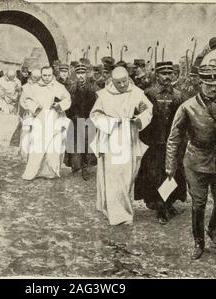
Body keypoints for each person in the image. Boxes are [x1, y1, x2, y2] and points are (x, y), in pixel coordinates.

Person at [166, 64, 216, 259]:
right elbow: (174, 138)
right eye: (209, 84)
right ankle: (198, 241)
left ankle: (212, 228)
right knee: (199, 204)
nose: (213, 88)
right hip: (195, 161)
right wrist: (170, 164)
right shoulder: (187, 106)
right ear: (200, 83)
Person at [90, 66, 153, 226]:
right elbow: (95, 114)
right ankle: (119, 214)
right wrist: (111, 122)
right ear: (112, 81)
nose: (123, 85)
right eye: (119, 83)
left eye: (125, 81)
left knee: (127, 176)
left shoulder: (137, 93)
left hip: (130, 137)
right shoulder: (104, 95)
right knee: (114, 176)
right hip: (111, 138)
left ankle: (122, 208)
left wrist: (139, 119)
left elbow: (147, 110)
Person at [135, 61, 186, 224]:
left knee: (173, 173)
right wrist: (146, 139)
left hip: (173, 142)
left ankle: (168, 203)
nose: (167, 77)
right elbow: (142, 117)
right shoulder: (148, 93)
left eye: (169, 73)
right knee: (155, 175)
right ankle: (160, 207)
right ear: (157, 75)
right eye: (163, 74)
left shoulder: (179, 95)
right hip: (155, 143)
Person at [21, 66, 71, 180]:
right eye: (44, 75)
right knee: (38, 143)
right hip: (40, 117)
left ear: (52, 75)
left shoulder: (59, 87)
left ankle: (51, 171)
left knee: (53, 144)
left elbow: (68, 99)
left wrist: (59, 105)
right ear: (41, 75)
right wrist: (35, 108)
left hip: (54, 117)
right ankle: (34, 171)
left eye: (49, 75)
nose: (47, 78)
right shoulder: (35, 87)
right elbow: (27, 99)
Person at [65, 63, 98, 180]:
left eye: (82, 73)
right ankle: (75, 165)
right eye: (78, 73)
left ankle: (86, 167)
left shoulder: (93, 89)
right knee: (74, 144)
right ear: (75, 75)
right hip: (75, 119)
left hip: (89, 120)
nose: (81, 76)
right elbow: (67, 105)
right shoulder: (71, 89)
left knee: (87, 145)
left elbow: (97, 105)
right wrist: (72, 117)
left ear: (86, 74)